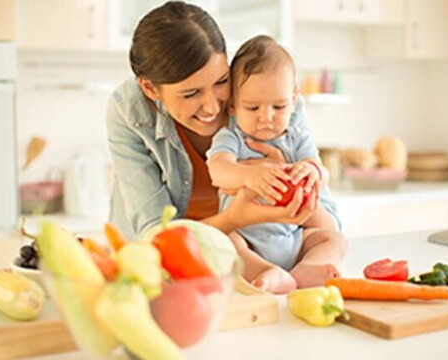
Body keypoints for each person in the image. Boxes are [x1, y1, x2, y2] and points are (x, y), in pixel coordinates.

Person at [106, 1, 344, 285]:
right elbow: (157, 240)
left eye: (221, 81)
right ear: (149, 87)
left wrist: (296, 179)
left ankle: (291, 278)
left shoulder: (266, 94)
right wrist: (235, 218)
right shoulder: (129, 111)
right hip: (177, 269)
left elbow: (328, 221)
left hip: (270, 258)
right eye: (191, 93)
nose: (212, 107)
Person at [206, 35, 347, 293]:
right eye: (252, 108)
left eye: (279, 106)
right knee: (225, 242)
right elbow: (218, 170)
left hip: (292, 238)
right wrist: (248, 176)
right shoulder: (232, 138)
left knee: (334, 240)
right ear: (233, 106)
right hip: (247, 240)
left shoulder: (296, 139)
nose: (266, 118)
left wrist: (314, 171)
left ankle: (303, 270)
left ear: (294, 99)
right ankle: (265, 272)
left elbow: (322, 173)